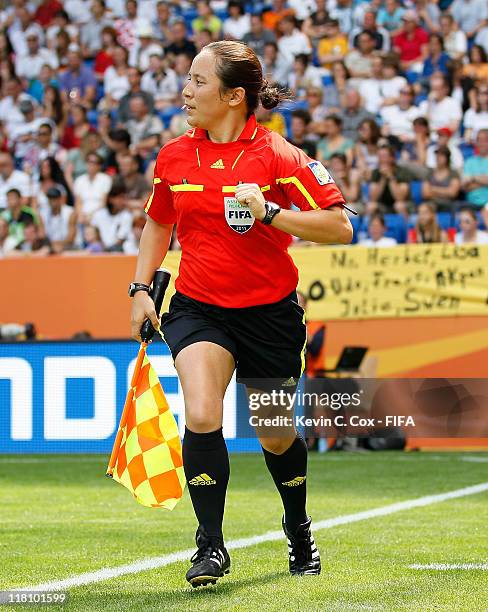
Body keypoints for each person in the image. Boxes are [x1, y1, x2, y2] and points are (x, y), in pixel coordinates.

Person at [130, 40, 351, 587]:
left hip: (270, 316)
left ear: (233, 96)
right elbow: (159, 222)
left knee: (275, 434)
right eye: (188, 77)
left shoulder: (278, 155)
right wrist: (139, 287)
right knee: (202, 413)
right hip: (198, 307)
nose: (186, 89)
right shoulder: (174, 156)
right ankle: (210, 545)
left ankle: (297, 526)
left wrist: (273, 212)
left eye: (198, 81)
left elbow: (339, 224)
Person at [422, 146, 461, 210]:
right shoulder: (430, 172)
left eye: (441, 155)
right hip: (431, 204)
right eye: (437, 155)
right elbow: (425, 193)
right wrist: (446, 191)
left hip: (448, 205)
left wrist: (433, 189)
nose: (438, 158)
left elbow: (453, 193)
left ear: (447, 158)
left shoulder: (453, 173)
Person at [462, 129, 488, 207]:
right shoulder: (469, 162)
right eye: (478, 140)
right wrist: (484, 181)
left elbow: (469, 182)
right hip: (471, 206)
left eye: (485, 140)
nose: (481, 143)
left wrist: (472, 178)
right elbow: (465, 187)